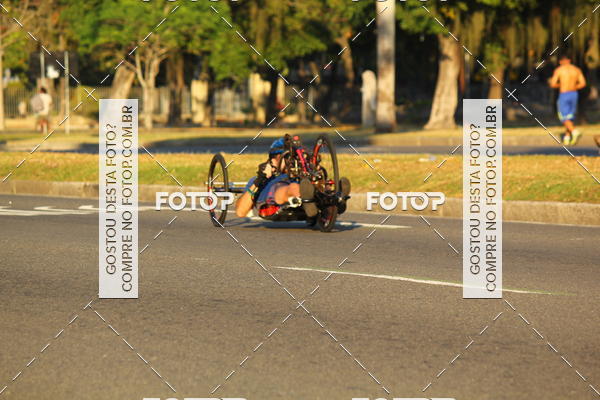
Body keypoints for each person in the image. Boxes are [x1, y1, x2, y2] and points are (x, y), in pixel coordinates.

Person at [235, 136, 350, 220]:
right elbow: (240, 212)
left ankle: (336, 200)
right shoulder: (263, 178)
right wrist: (259, 180)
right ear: (273, 159)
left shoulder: (298, 174)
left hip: (303, 190)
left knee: (320, 186)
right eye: (286, 158)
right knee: (294, 187)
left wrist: (316, 171)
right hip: (275, 197)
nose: (290, 161)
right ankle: (309, 198)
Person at [549, 54, 586, 146]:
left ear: (560, 62)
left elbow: (553, 84)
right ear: (569, 60)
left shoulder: (559, 70)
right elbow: (582, 83)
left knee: (563, 116)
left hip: (564, 94)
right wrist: (574, 87)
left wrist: (561, 85)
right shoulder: (576, 70)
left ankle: (574, 131)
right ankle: (567, 137)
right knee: (570, 116)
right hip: (574, 94)